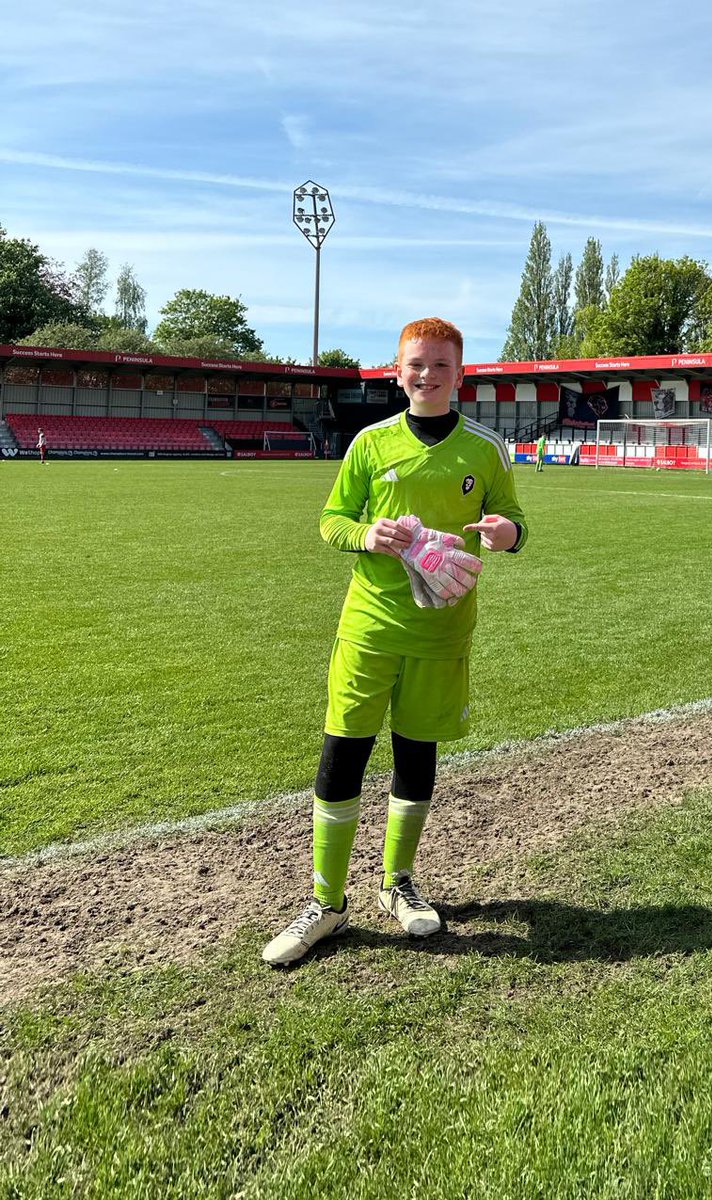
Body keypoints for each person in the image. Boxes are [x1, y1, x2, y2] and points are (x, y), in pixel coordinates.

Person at [263, 317, 529, 967]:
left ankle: (395, 884)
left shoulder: (486, 450)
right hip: (370, 625)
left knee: (416, 756)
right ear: (396, 369)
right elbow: (331, 520)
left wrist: (504, 534)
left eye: (441, 365)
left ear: (460, 374)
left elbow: (515, 523)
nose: (427, 375)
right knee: (343, 753)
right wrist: (365, 535)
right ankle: (325, 902)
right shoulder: (369, 444)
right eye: (416, 363)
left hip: (442, 629)